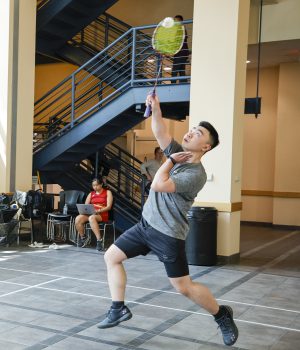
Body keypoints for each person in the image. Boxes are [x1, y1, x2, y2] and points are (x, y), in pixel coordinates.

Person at [97, 94, 239, 347]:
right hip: (145, 225)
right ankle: (118, 308)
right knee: (111, 257)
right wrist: (156, 108)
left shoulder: (196, 174)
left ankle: (221, 315)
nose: (191, 132)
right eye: (192, 128)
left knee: (183, 287)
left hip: (168, 234)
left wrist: (170, 161)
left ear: (205, 147)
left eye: (199, 133)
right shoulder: (177, 152)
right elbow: (159, 129)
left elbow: (159, 184)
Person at [75, 177, 113, 251]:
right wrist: (83, 211)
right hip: (91, 213)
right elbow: (86, 206)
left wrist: (98, 211)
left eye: (96, 185)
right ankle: (83, 238)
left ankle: (99, 241)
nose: (94, 187)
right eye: (93, 185)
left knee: (91, 218)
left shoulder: (108, 192)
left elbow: (109, 207)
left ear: (101, 184)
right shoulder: (91, 194)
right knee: (78, 218)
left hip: (102, 213)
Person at [171, 15, 190, 84]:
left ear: (181, 21)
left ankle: (172, 85)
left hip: (181, 52)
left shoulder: (180, 29)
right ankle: (183, 84)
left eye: (176, 21)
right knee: (181, 70)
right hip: (183, 52)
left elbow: (176, 41)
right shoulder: (181, 29)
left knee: (175, 71)